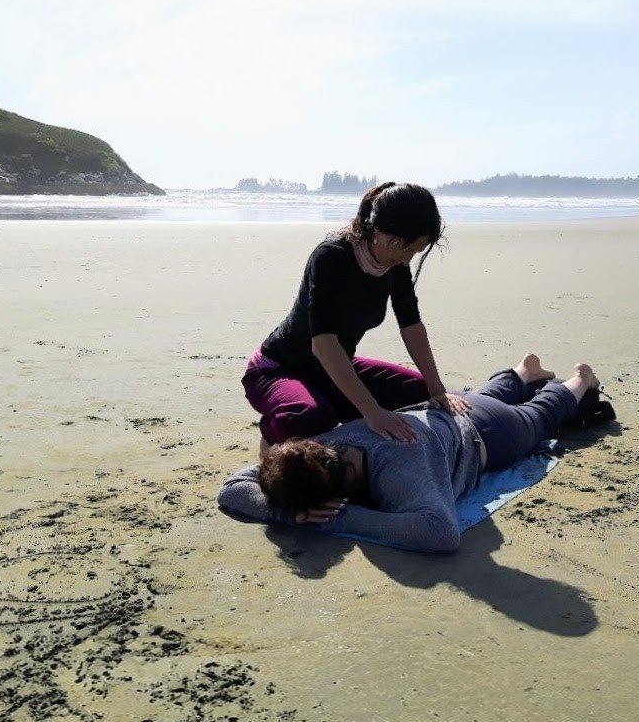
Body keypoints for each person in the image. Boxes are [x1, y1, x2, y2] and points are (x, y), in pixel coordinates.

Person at [218, 354, 614, 552]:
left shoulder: (400, 473)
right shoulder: (319, 444)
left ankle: (580, 380)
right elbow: (233, 488)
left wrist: (336, 519)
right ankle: (524, 372)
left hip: (490, 435)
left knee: (539, 416)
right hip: (447, 408)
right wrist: (286, 511)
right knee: (483, 396)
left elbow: (441, 534)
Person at [242, 182, 471, 453]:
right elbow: (323, 344)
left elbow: (411, 325)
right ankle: (273, 432)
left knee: (420, 394)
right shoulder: (331, 257)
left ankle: (327, 406)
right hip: (279, 370)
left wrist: (437, 390)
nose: (407, 260)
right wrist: (372, 412)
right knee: (312, 416)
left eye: (415, 252)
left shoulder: (395, 265)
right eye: (407, 249)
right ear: (384, 233)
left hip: (333, 370)